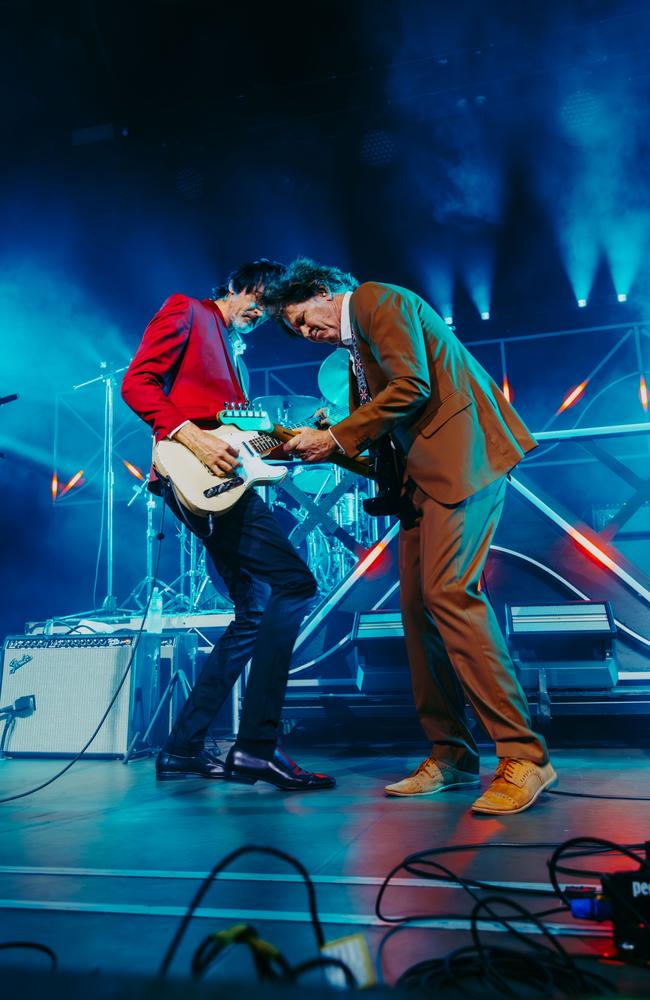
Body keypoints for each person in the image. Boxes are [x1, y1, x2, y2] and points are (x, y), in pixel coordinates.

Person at [261, 258, 556, 815]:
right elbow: (385, 437)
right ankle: (451, 754)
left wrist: (337, 437)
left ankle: (524, 756)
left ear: (324, 293)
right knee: (417, 610)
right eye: (296, 330)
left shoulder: (375, 300)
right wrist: (313, 445)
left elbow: (412, 386)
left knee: (450, 595)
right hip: (422, 482)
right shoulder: (354, 357)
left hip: (464, 461)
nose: (304, 333)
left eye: (302, 319)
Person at [121, 260, 334, 792]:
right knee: (295, 583)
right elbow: (138, 382)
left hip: (224, 481)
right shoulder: (187, 310)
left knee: (254, 611)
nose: (261, 315)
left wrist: (295, 440)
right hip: (189, 468)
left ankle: (183, 747)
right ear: (238, 286)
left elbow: (243, 440)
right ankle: (257, 748)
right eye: (259, 301)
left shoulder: (235, 354)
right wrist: (192, 438)